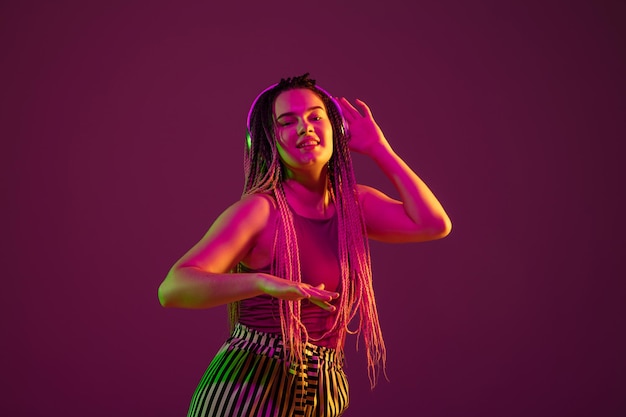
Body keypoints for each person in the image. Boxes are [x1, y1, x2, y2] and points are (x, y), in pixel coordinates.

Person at [158, 74, 451, 417]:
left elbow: (434, 224)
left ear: (336, 130)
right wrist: (262, 283)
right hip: (248, 386)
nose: (305, 128)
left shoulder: (355, 206)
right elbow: (173, 288)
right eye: (287, 122)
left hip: (324, 387)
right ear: (268, 139)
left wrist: (378, 149)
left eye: (316, 117)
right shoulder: (259, 211)